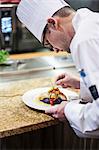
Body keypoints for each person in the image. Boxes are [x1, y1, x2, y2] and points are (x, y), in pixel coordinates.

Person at [17, 0, 99, 138]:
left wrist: (68, 110)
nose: (55, 50)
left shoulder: (84, 40)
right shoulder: (92, 21)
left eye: (48, 42)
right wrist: (81, 83)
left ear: (53, 23)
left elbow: (97, 117)